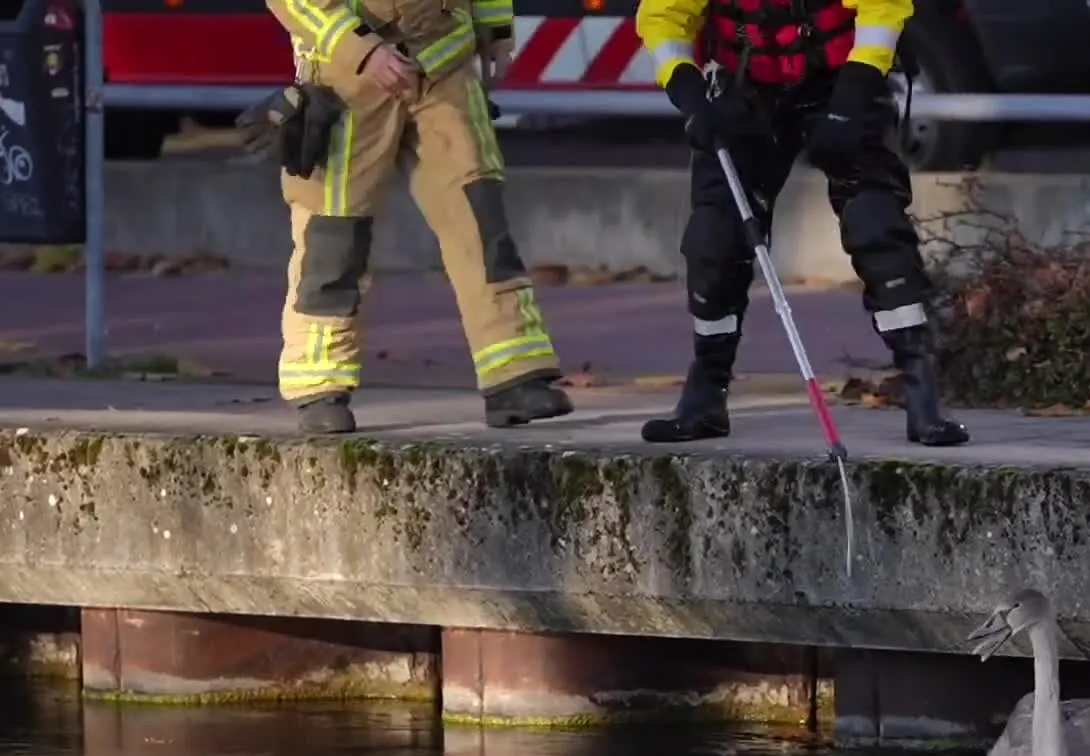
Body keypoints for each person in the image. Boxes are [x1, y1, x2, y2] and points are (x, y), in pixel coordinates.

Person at [634, 0, 970, 447]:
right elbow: (663, 16)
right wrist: (689, 94)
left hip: (843, 76)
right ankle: (706, 391)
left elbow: (883, 7)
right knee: (714, 238)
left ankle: (922, 390)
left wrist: (853, 96)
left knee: (876, 223)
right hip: (744, 85)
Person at [256, 0, 573, 435]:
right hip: (346, 83)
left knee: (479, 223)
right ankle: (319, 386)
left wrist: (495, 27)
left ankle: (516, 374)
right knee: (335, 239)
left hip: (442, 68)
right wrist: (362, 50)